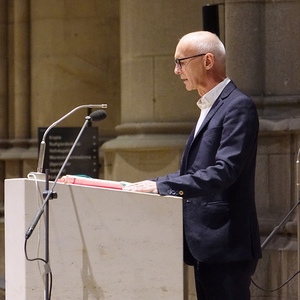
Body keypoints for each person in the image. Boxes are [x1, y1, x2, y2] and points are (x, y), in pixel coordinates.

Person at [123, 31, 262, 300]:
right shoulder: (209, 108)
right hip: (206, 245)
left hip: (226, 243)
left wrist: (164, 186)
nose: (176, 71)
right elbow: (195, 171)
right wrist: (154, 184)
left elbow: (226, 170)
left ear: (207, 60)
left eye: (180, 62)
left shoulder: (237, 106)